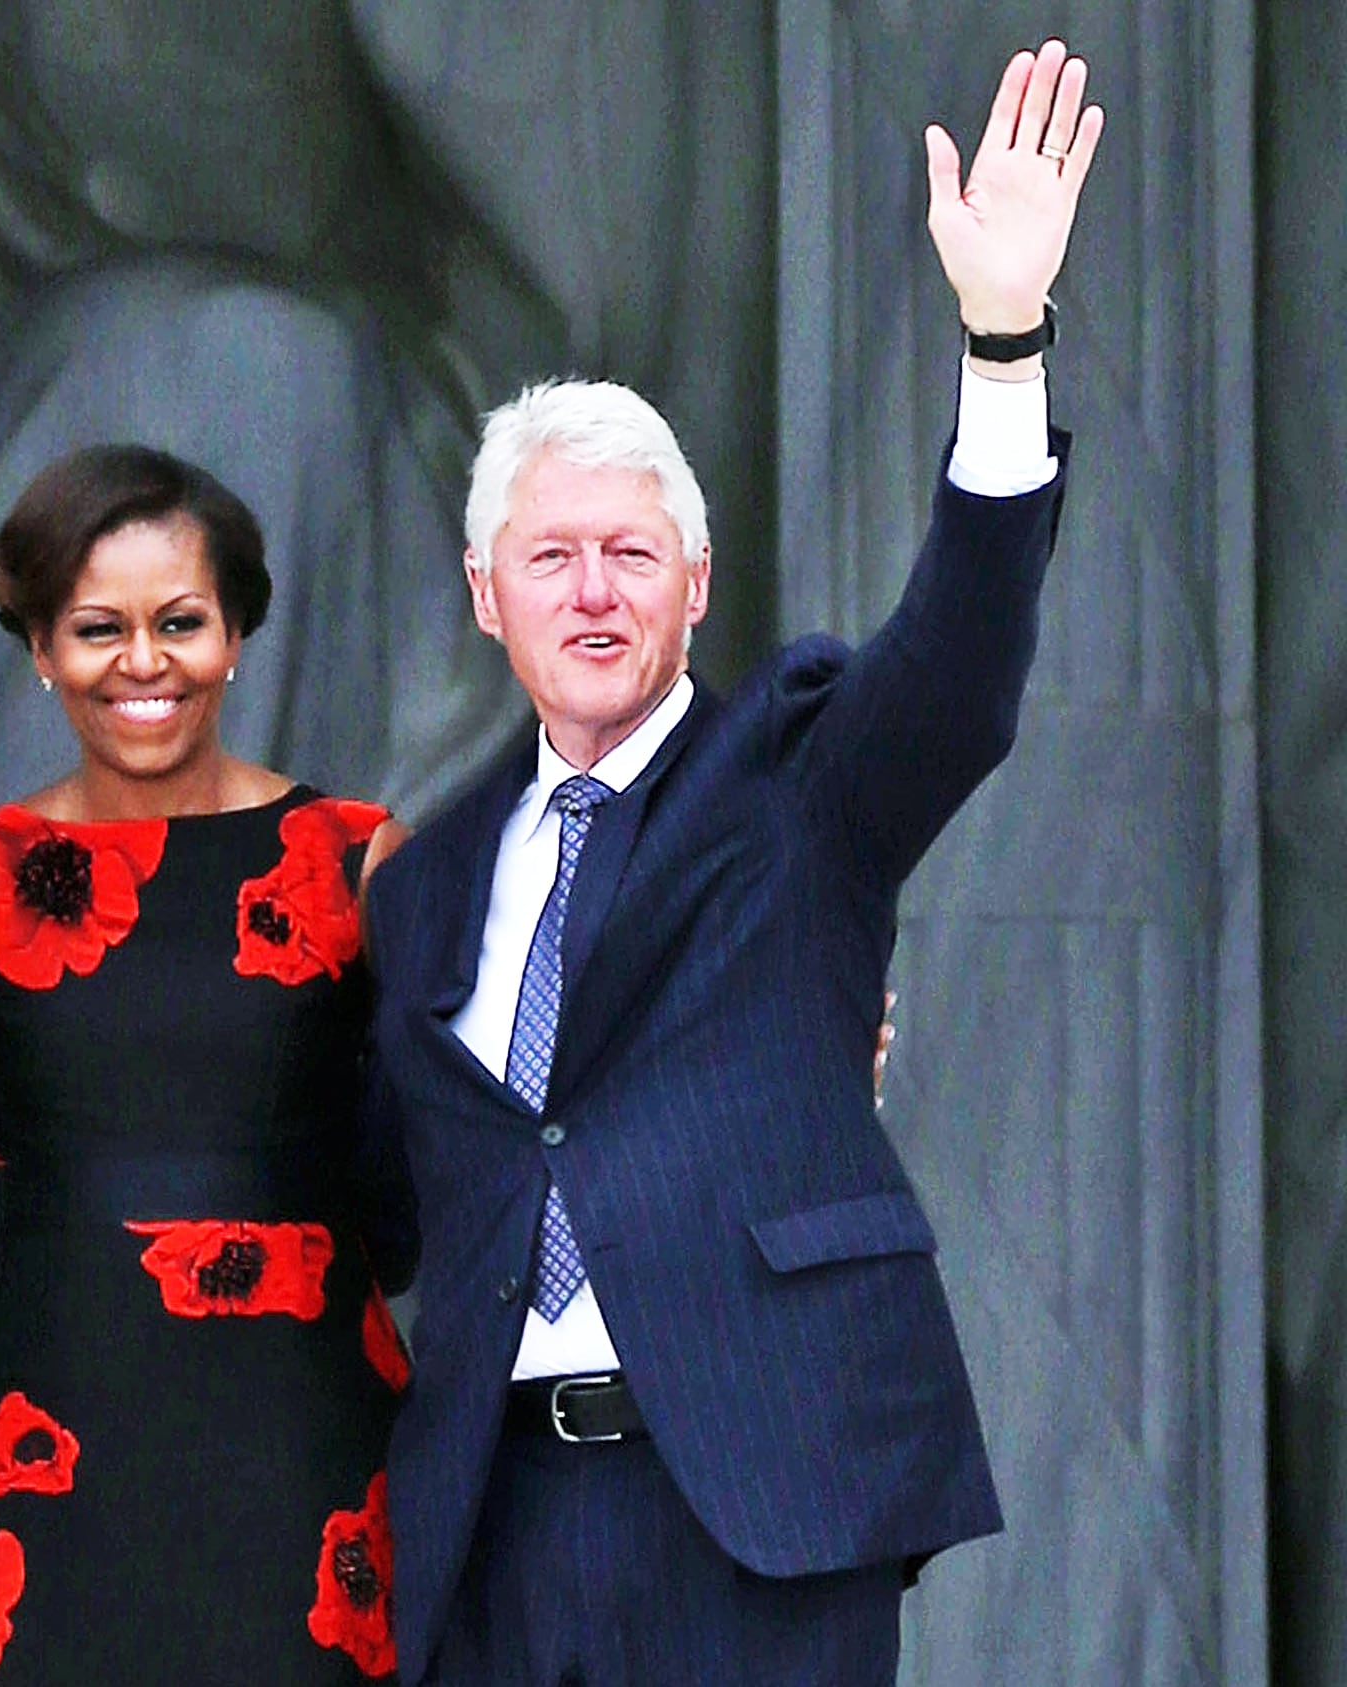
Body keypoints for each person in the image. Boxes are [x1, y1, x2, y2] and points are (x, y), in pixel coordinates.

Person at [360, 40, 1102, 1684]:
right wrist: (52, 1263)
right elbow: (363, 1204)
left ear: (695, 586)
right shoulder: (418, 893)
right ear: (490, 598)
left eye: (635, 553)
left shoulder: (796, 772)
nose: (596, 590)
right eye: (551, 557)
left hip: (755, 1495)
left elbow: (964, 664)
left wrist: (1000, 341)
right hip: (495, 1518)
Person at [0, 443, 420, 1683]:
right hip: (39, 1439)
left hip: (298, 1452)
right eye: (96, 627)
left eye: (181, 622)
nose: (143, 663)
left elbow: (462, 1152)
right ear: (38, 646)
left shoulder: (359, 860)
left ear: (236, 634)